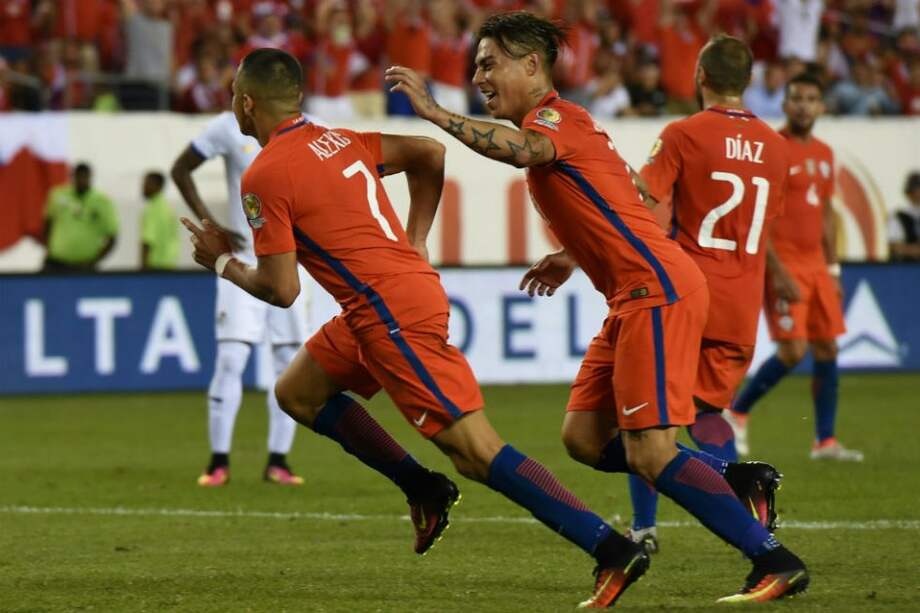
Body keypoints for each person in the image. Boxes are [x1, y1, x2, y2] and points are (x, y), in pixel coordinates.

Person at [184, 47, 679, 609]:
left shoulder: (265, 175)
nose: (233, 105)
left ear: (247, 104)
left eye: (234, 96)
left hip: (389, 314)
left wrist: (220, 261)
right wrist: (416, 239)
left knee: (476, 452)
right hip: (384, 300)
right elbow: (428, 152)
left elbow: (282, 290)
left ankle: (610, 548)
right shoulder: (337, 139)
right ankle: (424, 488)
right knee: (297, 392)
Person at [386, 12, 808, 606]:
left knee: (651, 452)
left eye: (489, 63)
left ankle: (774, 561)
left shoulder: (554, 119)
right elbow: (634, 194)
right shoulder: (576, 127)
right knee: (584, 438)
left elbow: (524, 151)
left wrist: (435, 113)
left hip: (656, 290)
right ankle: (737, 478)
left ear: (531, 65)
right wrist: (573, 254)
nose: (478, 76)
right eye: (476, 66)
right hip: (632, 297)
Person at [625, 34, 789, 553]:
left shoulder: (683, 134)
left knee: (641, 408)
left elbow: (644, 200)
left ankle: (644, 528)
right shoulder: (777, 147)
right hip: (741, 303)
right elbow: (765, 228)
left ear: (700, 76)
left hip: (686, 293)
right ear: (749, 81)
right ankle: (744, 493)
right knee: (706, 412)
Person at [171, 110, 317, 487]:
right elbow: (181, 169)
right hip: (241, 263)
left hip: (291, 265)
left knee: (289, 365)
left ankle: (278, 461)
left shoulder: (314, 129)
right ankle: (218, 462)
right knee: (232, 359)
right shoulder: (228, 126)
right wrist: (210, 223)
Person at [728, 73, 864, 462]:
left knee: (828, 346)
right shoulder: (772, 149)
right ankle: (737, 412)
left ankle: (825, 441)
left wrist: (833, 269)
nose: (804, 106)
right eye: (797, 98)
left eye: (811, 99)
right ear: (785, 105)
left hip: (818, 265)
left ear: (821, 106)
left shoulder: (824, 153)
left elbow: (826, 214)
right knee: (792, 350)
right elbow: (758, 214)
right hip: (784, 262)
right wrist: (776, 270)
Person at [43, 162, 118, 272]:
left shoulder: (103, 201)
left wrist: (94, 261)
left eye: (84, 177)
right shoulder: (58, 195)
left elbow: (112, 236)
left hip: (86, 266)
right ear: (72, 177)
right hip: (56, 263)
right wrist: (48, 248)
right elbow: (48, 223)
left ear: (90, 177)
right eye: (78, 176)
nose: (81, 180)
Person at [139, 171, 178, 270]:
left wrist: (143, 267)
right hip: (170, 264)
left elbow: (148, 240)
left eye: (147, 184)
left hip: (155, 266)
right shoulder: (167, 207)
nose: (143, 187)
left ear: (158, 186)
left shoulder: (153, 208)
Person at [888, 171, 920, 260]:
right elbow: (894, 246)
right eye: (917, 189)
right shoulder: (899, 217)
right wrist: (913, 250)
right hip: (907, 265)